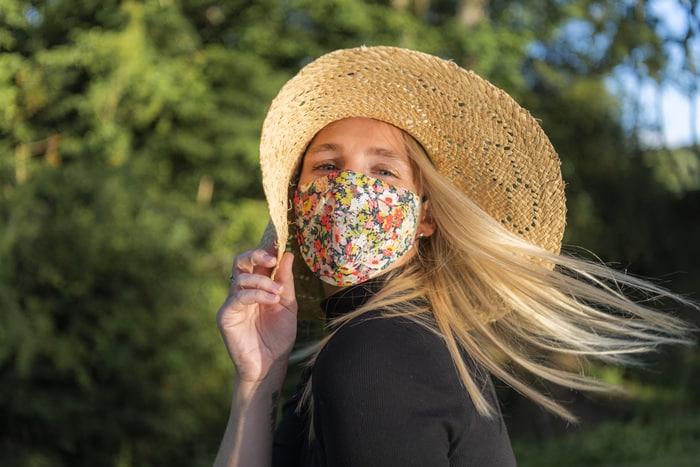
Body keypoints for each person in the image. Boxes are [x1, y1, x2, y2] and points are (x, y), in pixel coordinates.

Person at [213, 46, 694, 467]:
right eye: (327, 166)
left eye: (382, 171)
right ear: (297, 200)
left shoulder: (375, 353)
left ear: (424, 217)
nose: (350, 190)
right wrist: (259, 375)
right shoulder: (370, 343)